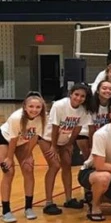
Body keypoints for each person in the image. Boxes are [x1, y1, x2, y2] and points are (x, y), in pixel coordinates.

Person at [39, 84, 91, 215]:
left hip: (63, 141)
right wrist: (54, 147)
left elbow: (77, 128)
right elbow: (55, 126)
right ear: (70, 94)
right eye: (76, 95)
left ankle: (68, 199)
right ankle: (48, 202)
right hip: (48, 139)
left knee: (67, 164)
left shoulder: (83, 110)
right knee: (55, 166)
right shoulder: (60, 105)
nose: (79, 98)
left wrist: (69, 144)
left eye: (82, 96)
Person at [1, 93, 46, 223]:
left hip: (23, 141)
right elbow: (13, 139)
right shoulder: (16, 118)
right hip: (5, 139)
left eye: (38, 107)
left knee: (28, 168)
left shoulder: (43, 118)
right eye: (31, 106)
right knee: (8, 172)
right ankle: (6, 210)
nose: (34, 110)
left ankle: (28, 207)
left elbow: (35, 137)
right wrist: (9, 158)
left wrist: (27, 156)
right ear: (25, 107)